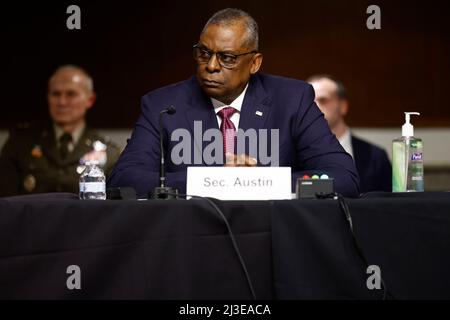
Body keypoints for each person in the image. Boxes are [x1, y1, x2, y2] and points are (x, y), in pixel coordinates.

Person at [107, 8, 360, 197]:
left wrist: (261, 181)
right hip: (191, 238)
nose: (211, 66)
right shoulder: (162, 105)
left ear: (254, 63)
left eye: (227, 57)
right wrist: (212, 180)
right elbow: (123, 180)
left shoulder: (292, 99)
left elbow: (343, 177)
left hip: (271, 235)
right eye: (204, 53)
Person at [0, 65, 121, 196]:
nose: (62, 102)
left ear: (90, 100)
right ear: (48, 98)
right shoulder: (19, 144)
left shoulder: (109, 153)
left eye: (71, 94)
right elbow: (6, 203)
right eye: (56, 94)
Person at [307, 74, 392, 193]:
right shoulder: (293, 154)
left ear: (343, 106)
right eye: (310, 102)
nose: (315, 106)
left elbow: (389, 205)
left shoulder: (375, 157)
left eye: (323, 100)